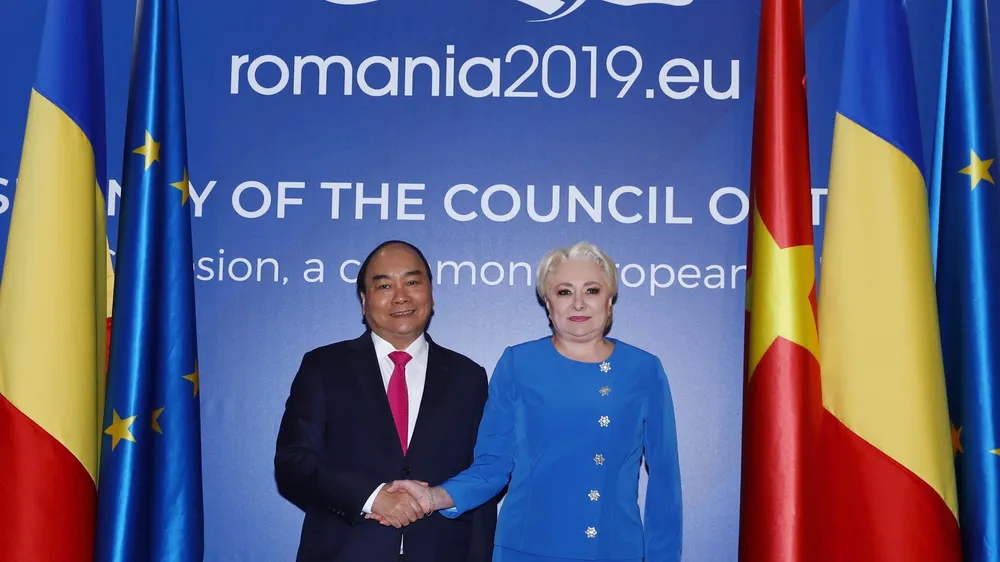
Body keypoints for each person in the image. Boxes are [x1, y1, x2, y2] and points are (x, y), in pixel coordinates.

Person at [370, 241, 683, 562]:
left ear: (610, 298)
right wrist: (432, 497)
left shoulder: (643, 369)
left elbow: (665, 481)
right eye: (564, 292)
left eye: (592, 290)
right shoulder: (518, 364)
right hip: (526, 548)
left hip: (611, 550)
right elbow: (493, 466)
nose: (578, 303)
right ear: (548, 302)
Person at [274, 240, 498, 562]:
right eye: (384, 286)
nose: (400, 296)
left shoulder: (469, 376)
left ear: (431, 293)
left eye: (412, 282)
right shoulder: (323, 366)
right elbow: (294, 463)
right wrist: (371, 496)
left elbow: (482, 477)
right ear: (364, 301)